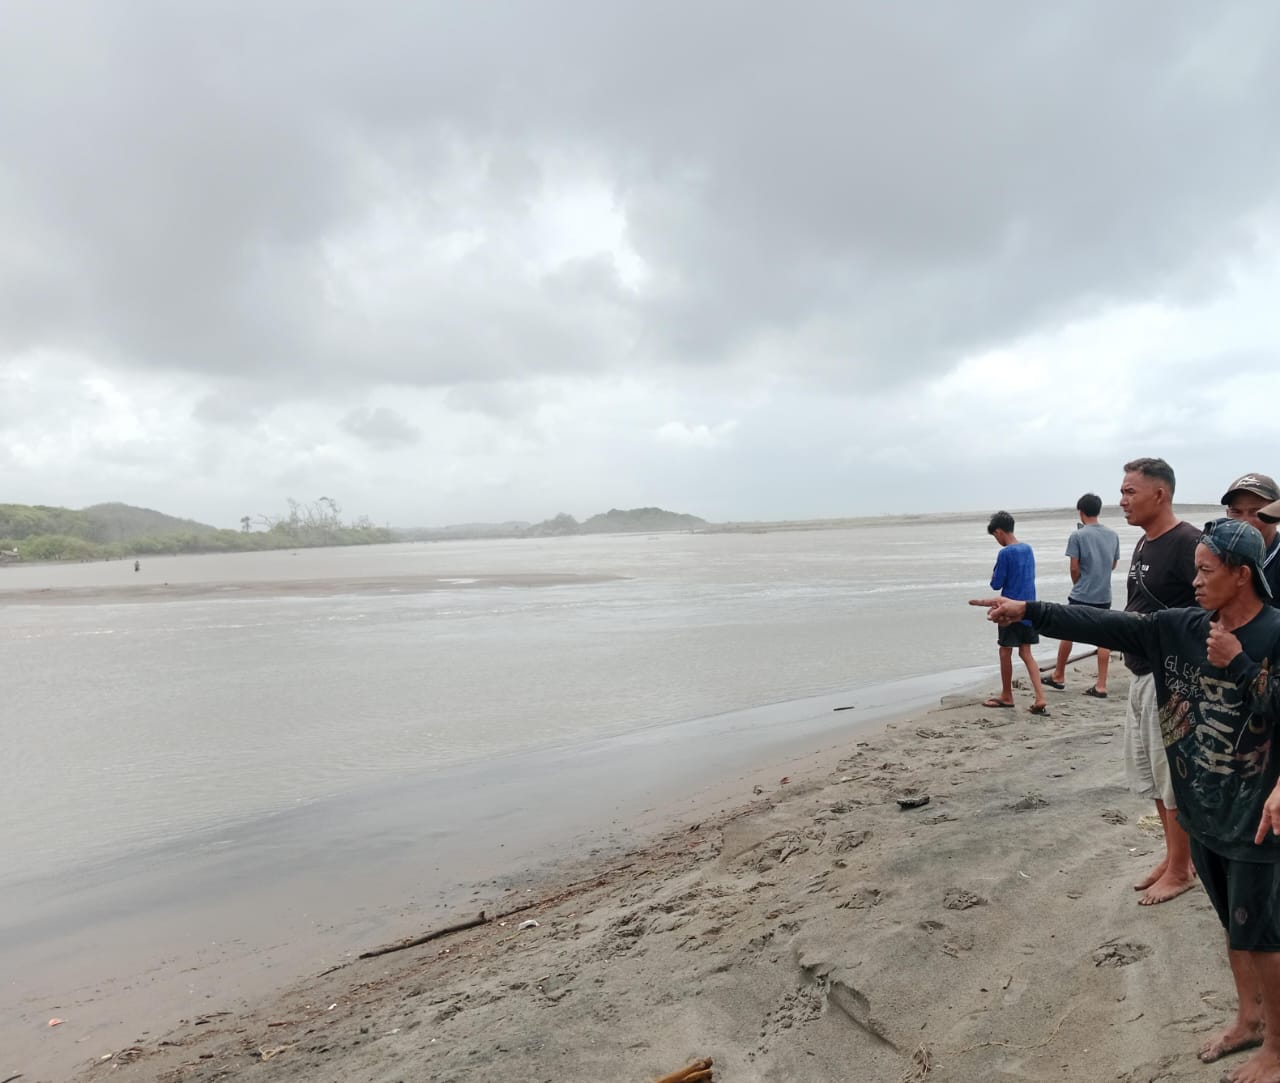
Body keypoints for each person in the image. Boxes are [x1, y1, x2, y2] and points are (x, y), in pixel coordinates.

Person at [971, 519, 1280, 1079]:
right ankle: (1248, 1020)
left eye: (1206, 572)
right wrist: (1030, 611)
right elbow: (1107, 623)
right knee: (1233, 927)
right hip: (1203, 809)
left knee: (1264, 934)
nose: (1195, 582)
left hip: (1258, 817)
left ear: (1242, 575)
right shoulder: (1178, 628)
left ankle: (1278, 1046)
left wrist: (1237, 661)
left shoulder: (1275, 634)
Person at [1118, 457, 1201, 905]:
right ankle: (1174, 859)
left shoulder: (1189, 542)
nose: (1122, 500)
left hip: (1170, 681)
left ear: (1159, 494)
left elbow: (1215, 605)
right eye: (1122, 491)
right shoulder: (1144, 543)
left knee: (1173, 780)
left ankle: (1182, 869)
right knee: (1149, 775)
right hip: (1140, 674)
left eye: (1131, 491)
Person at [1043, 493, 1120, 697]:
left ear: (1081, 512)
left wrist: (1078, 582)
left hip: (1082, 593)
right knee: (1104, 638)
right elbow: (1113, 564)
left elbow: (1074, 567)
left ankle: (1059, 675)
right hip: (1104, 593)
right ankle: (1101, 684)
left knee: (1067, 631)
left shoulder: (1077, 536)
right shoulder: (1112, 535)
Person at [982, 511, 1048, 715]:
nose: (997, 541)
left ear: (999, 532)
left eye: (995, 536)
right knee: (1026, 653)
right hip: (1029, 607)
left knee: (1005, 651)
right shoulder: (1027, 549)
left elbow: (996, 583)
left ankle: (1006, 694)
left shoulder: (1005, 553)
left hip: (1010, 609)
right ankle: (1040, 696)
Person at [1223, 473, 1280, 604]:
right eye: (1236, 512)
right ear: (1227, 514)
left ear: (1276, 516)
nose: (1245, 522)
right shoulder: (1217, 556)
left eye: (1255, 512)